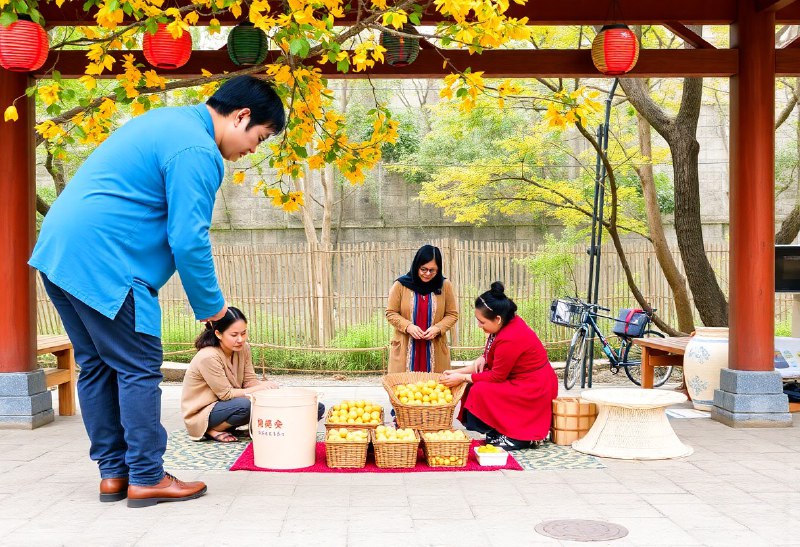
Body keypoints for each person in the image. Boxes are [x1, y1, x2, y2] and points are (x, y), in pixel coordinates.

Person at [28, 75, 286, 508]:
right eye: (258, 137)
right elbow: (188, 239)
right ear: (241, 116)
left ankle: (114, 474)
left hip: (60, 253)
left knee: (97, 366)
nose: (253, 150)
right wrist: (214, 308)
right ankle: (147, 476)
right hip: (107, 260)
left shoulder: (166, 121)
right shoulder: (198, 150)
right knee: (139, 366)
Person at [442, 282, 558, 450]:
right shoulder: (503, 324)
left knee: (479, 390)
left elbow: (496, 376)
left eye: (482, 322)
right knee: (473, 385)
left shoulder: (510, 337)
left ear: (497, 319)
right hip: (523, 381)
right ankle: (500, 429)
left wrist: (462, 377)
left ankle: (519, 437)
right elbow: (489, 361)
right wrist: (458, 372)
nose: (479, 325)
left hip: (533, 387)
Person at [182, 307, 325, 442]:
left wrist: (271, 395)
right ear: (218, 334)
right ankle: (209, 429)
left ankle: (276, 427)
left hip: (233, 403)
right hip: (205, 412)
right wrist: (261, 388)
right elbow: (226, 394)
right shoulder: (208, 356)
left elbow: (250, 381)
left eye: (243, 333)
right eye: (234, 335)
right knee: (246, 406)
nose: (240, 339)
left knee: (314, 406)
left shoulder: (244, 348)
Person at [386, 244, 458, 373]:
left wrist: (438, 328)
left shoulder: (444, 285)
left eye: (432, 270)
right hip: (405, 348)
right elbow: (391, 313)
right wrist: (408, 326)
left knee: (435, 385)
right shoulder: (400, 285)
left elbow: (452, 314)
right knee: (404, 385)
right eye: (423, 269)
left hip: (435, 348)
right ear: (416, 266)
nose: (427, 274)